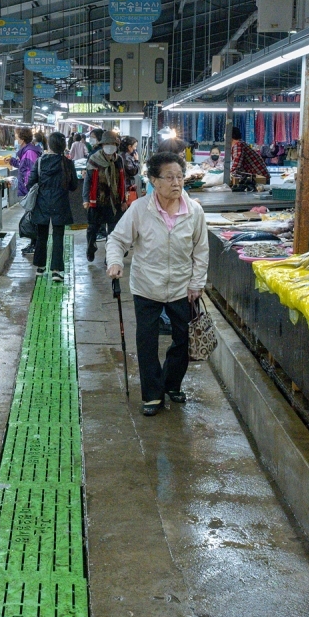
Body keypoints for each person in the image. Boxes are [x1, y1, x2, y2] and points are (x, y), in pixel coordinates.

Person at [106, 151, 210, 416]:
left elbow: (201, 250)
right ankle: (152, 395)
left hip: (181, 288)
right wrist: (115, 262)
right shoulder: (140, 209)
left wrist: (196, 283)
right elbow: (117, 239)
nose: (177, 183)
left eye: (180, 176)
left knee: (183, 340)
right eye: (169, 177)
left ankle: (171, 383)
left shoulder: (194, 211)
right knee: (147, 342)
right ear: (154, 179)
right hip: (146, 286)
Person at [27, 131, 78, 283]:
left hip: (42, 203)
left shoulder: (41, 161)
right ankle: (57, 271)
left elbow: (31, 182)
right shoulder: (67, 163)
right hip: (60, 203)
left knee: (41, 236)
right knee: (58, 237)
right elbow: (74, 185)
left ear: (49, 145)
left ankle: (40, 268)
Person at [83, 129, 128, 262]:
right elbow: (88, 181)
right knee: (92, 228)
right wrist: (85, 199)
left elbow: (122, 180)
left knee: (113, 232)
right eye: (107, 143)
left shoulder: (118, 160)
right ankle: (91, 246)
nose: (110, 146)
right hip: (96, 200)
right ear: (102, 145)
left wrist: (124, 199)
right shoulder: (94, 159)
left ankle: (110, 256)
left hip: (114, 202)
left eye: (112, 144)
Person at [9, 126, 42, 198]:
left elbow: (32, 170)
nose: (15, 139)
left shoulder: (30, 152)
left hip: (28, 190)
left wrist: (27, 185)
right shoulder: (25, 151)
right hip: (26, 189)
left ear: (22, 138)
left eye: (16, 136)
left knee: (30, 209)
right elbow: (22, 165)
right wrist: (12, 161)